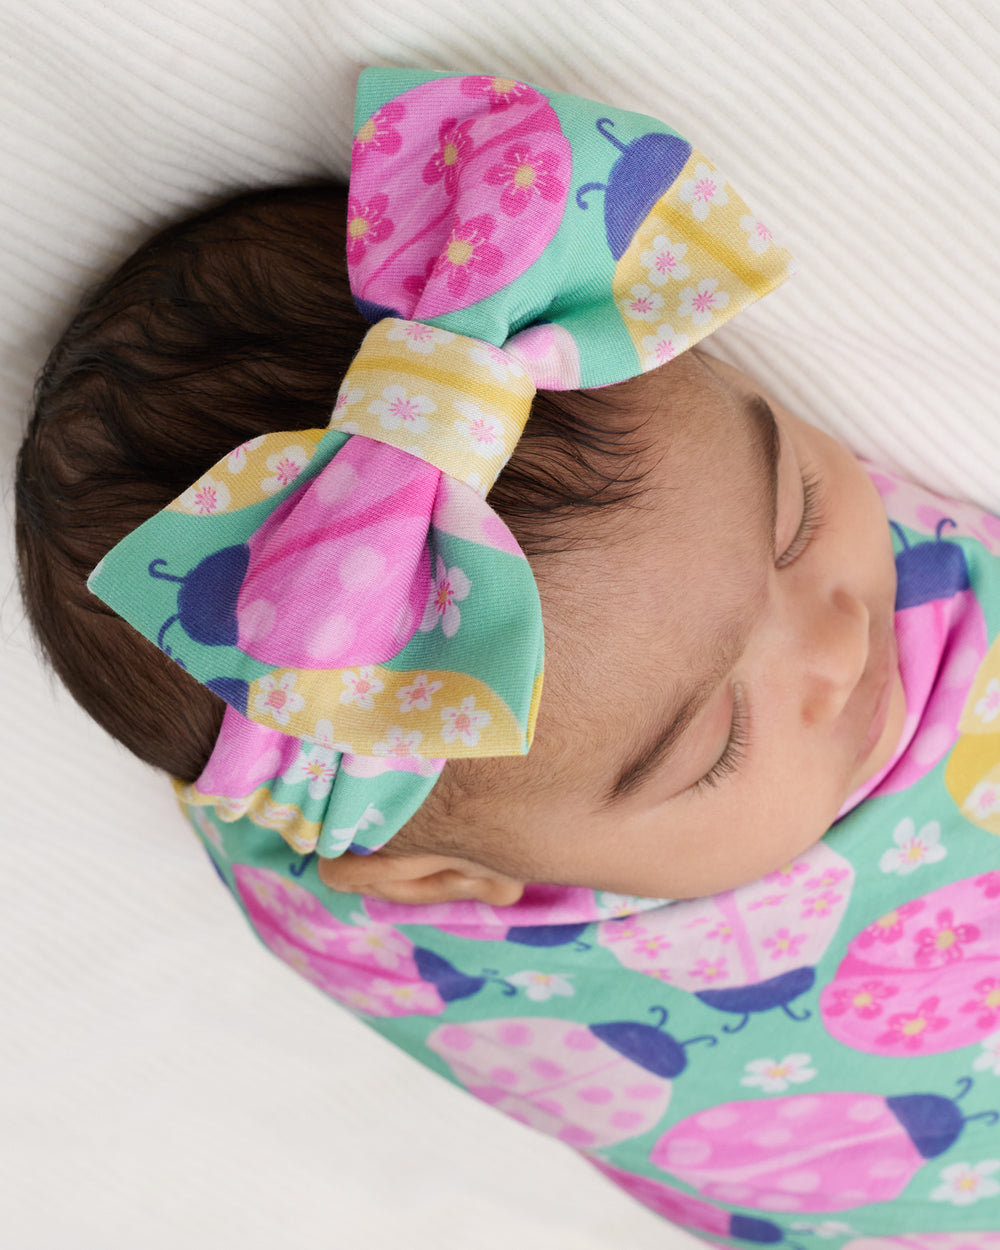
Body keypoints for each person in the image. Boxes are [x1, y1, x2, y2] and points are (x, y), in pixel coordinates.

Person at [16, 69, 1000, 1248]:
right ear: (446, 881)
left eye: (792, 511)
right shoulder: (438, 907)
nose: (839, 644)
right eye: (713, 740)